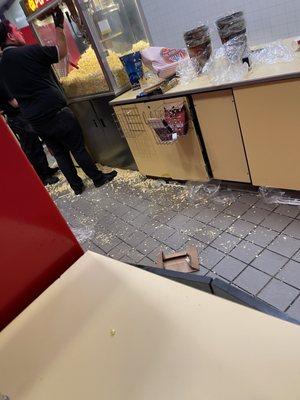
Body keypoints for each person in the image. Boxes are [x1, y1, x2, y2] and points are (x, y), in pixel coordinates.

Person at [0, 9, 117, 195]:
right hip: (56, 113)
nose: (20, 32)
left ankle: (77, 187)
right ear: (9, 36)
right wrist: (59, 26)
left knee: (60, 153)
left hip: (36, 119)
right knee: (77, 147)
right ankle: (98, 178)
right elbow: (61, 52)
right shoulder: (29, 52)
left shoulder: (2, 64)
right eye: (16, 29)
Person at [0, 77, 59, 186]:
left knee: (35, 143)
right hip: (17, 117)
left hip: (17, 116)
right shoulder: (2, 79)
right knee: (32, 147)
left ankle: (46, 170)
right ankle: (44, 177)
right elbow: (15, 103)